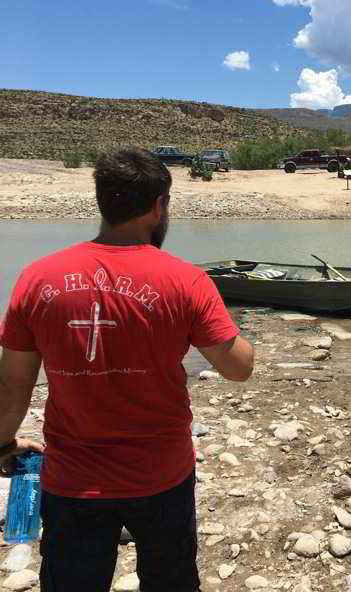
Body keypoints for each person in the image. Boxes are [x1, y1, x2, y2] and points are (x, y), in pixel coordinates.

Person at [0, 147, 254, 592]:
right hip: (161, 474)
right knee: (171, 582)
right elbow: (238, 368)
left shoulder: (37, 278)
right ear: (158, 206)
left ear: (102, 202)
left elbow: (13, 383)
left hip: (73, 479)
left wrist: (1, 443)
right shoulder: (185, 280)